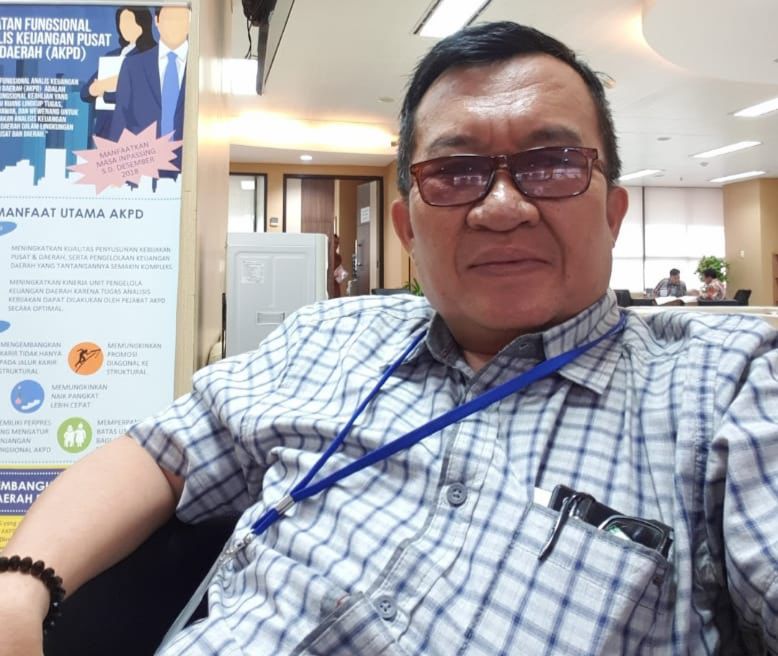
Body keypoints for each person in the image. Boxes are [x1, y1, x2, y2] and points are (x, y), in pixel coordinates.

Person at [2, 21, 778, 656]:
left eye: (551, 164)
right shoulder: (326, 335)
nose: (502, 206)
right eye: (456, 171)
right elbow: (157, 452)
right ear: (408, 228)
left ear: (612, 212)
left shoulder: (724, 388)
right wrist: (17, 588)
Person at [109, 6, 189, 173]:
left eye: (181, 19)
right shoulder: (133, 66)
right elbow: (120, 123)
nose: (174, 25)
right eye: (169, 19)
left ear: (190, 23)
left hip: (190, 173)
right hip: (140, 174)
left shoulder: (203, 70)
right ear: (156, 21)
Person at [79, 7, 156, 145]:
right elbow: (85, 93)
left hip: (134, 133)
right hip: (105, 133)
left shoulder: (151, 55)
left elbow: (141, 95)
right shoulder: (112, 56)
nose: (124, 27)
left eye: (129, 22)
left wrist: (106, 91)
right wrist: (96, 88)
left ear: (142, 23)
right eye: (121, 22)